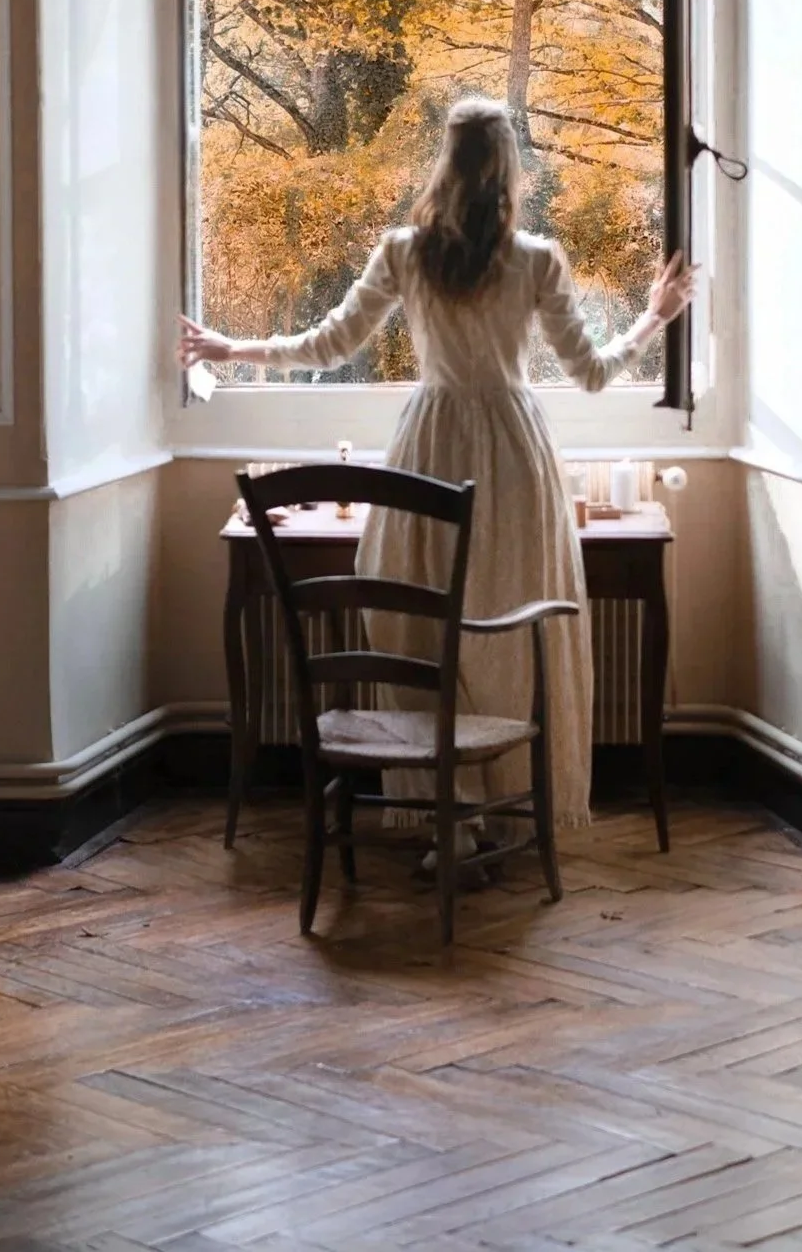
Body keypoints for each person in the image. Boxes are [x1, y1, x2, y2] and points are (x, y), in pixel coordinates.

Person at [179, 97, 695, 861]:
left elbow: (329, 345)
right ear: (509, 169)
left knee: (419, 624)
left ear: (443, 166)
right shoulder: (535, 259)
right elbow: (589, 373)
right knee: (510, 632)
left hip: (428, 447)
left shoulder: (404, 252)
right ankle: (504, 808)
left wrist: (234, 348)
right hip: (514, 457)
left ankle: (450, 817)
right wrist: (654, 318)